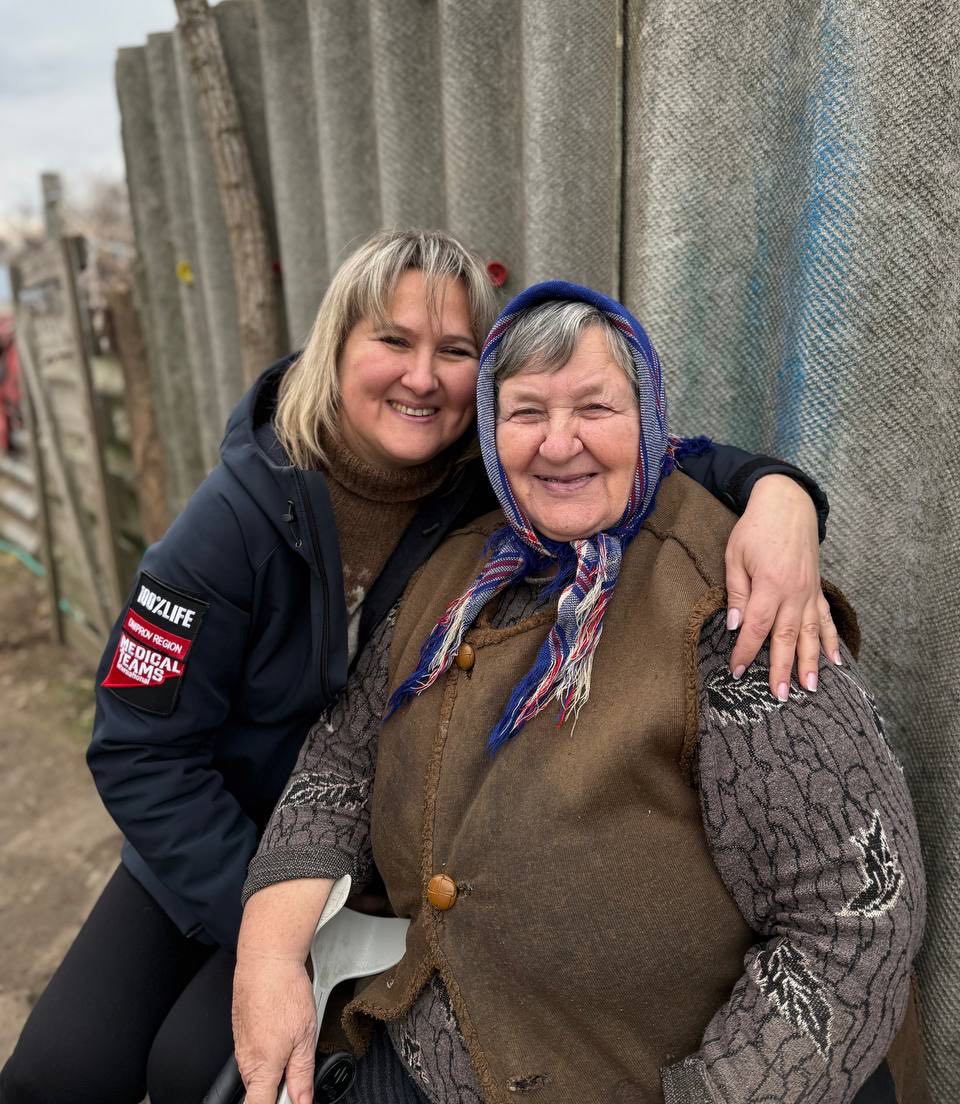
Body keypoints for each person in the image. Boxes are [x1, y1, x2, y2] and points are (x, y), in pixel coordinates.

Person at [1, 235, 835, 1104]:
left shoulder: (481, 473)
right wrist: (273, 927)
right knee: (57, 1073)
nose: (423, 377)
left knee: (191, 1070)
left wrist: (782, 495)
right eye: (393, 342)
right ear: (336, 348)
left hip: (369, 842)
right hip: (213, 837)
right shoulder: (229, 526)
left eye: (455, 352)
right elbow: (138, 749)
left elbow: (649, 455)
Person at [233, 280, 926, 1104]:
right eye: (526, 413)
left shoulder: (733, 602)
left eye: (594, 407)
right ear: (492, 435)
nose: (559, 444)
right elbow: (342, 760)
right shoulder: (452, 571)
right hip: (432, 1042)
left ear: (651, 419)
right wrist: (268, 956)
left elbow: (850, 917)